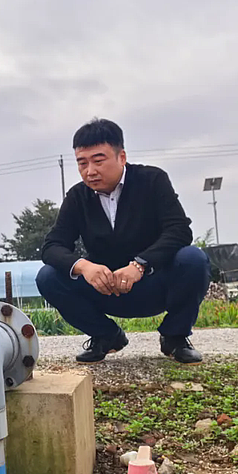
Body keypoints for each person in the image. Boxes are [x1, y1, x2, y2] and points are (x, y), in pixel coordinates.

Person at [36, 119, 211, 364]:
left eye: (98, 161)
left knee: (193, 258)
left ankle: (175, 337)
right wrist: (85, 267)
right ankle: (106, 336)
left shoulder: (153, 180)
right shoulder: (77, 196)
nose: (90, 171)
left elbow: (179, 230)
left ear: (122, 157)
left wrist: (140, 265)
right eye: (82, 163)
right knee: (47, 276)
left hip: (154, 283)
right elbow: (52, 246)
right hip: (105, 288)